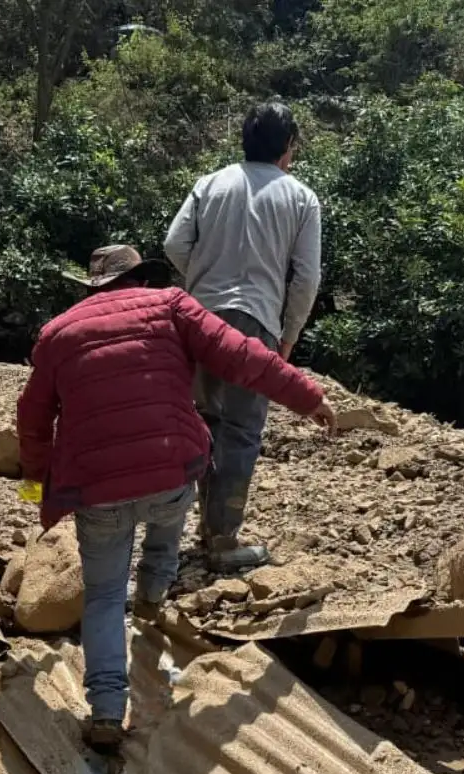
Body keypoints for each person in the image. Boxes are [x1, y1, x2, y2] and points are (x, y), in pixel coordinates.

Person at [16, 245, 334, 751]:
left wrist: (36, 485)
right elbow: (244, 357)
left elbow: (32, 423)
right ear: (139, 278)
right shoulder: (171, 304)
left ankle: (105, 710)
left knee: (101, 597)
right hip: (170, 469)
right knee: (166, 523)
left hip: (96, 487)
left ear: (93, 287)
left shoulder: (58, 333)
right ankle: (152, 600)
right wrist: (307, 397)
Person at [163, 100, 322, 573]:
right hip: (257, 319)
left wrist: (205, 281)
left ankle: (184, 532)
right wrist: (288, 336)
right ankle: (222, 540)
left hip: (199, 317)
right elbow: (306, 277)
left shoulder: (210, 183)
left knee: (202, 422)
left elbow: (174, 243)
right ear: (289, 147)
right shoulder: (300, 197)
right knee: (242, 431)